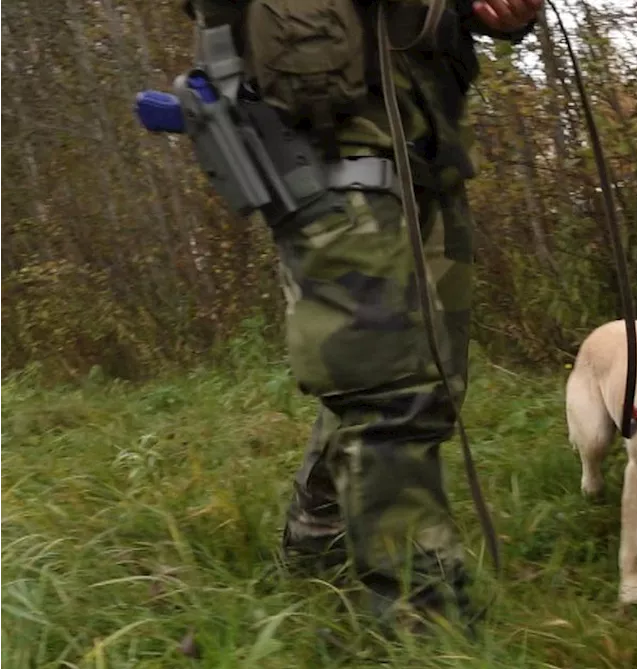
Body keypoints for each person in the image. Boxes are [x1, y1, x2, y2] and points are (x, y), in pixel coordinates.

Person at [180, 0, 543, 634]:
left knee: (430, 374)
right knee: (391, 390)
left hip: (428, 150)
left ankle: (318, 527)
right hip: (323, 147)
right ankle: (423, 620)